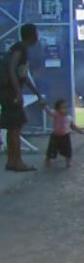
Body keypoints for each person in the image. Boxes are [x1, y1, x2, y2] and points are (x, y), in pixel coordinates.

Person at [1, 23, 44, 172]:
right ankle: (17, 161)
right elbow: (13, 70)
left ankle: (11, 161)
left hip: (6, 92)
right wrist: (18, 92)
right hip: (10, 93)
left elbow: (23, 75)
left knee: (12, 127)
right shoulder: (21, 49)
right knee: (15, 128)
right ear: (32, 35)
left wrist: (36, 93)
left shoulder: (18, 48)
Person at [42, 99, 84, 168]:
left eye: (65, 107)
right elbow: (48, 111)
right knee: (51, 150)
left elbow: (73, 126)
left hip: (65, 136)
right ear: (57, 109)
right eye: (62, 108)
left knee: (67, 150)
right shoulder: (56, 114)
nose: (64, 110)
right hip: (55, 136)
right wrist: (44, 106)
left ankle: (68, 161)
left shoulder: (69, 117)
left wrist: (80, 131)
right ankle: (48, 160)